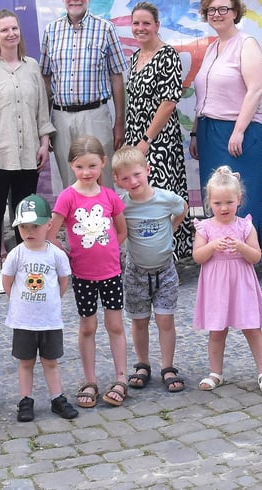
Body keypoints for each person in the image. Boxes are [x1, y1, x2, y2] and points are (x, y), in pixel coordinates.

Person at [0, 9, 54, 294]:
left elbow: (42, 111)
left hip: (28, 153)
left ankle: (23, 264)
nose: (11, 34)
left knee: (24, 211)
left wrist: (44, 143)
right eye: (4, 30)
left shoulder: (32, 67)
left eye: (14, 28)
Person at [47, 136, 129, 408]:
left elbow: (121, 230)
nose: (86, 172)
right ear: (71, 165)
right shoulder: (68, 196)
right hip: (83, 275)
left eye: (92, 166)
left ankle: (121, 377)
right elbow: (51, 232)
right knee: (88, 326)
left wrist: (109, 252)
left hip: (111, 273)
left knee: (115, 325)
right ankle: (90, 379)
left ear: (103, 163)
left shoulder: (109, 196)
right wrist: (68, 256)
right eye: (80, 166)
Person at [190, 0, 262, 252]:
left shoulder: (247, 44)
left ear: (235, 12)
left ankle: (248, 253)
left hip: (237, 131)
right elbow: (205, 96)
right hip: (210, 131)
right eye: (211, 10)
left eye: (223, 9)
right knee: (217, 196)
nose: (217, 14)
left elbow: (255, 89)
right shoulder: (212, 47)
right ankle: (218, 249)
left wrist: (239, 131)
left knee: (240, 195)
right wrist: (196, 133)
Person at [111, 146, 188, 394]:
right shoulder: (122, 205)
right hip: (136, 272)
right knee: (139, 320)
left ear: (147, 170)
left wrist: (171, 230)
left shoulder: (166, 199)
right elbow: (118, 230)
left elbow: (182, 208)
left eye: (137, 174)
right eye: (125, 178)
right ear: (117, 180)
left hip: (165, 270)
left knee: (165, 319)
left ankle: (168, 366)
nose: (132, 181)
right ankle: (142, 364)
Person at [192, 166, 262, 393]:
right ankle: (215, 372)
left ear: (238, 199)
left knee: (252, 328)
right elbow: (198, 256)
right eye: (217, 203)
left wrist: (241, 246)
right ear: (209, 201)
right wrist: (211, 246)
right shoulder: (205, 227)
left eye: (229, 202)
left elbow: (256, 256)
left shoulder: (245, 225)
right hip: (216, 287)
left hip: (241, 285)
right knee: (217, 332)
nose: (224, 207)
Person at [40, 0, 127, 187]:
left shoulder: (106, 29)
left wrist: (119, 122)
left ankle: (106, 221)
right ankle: (74, 222)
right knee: (71, 182)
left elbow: (117, 77)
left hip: (95, 115)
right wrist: (44, 124)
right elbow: (46, 80)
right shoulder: (51, 31)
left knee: (102, 179)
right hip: (61, 118)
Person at [123, 1, 193, 259]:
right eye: (136, 23)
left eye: (146, 23)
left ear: (157, 26)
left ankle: (167, 255)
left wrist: (146, 139)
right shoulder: (135, 57)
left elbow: (169, 102)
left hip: (158, 140)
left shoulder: (167, 55)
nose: (140, 28)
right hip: (135, 138)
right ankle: (145, 254)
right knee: (139, 196)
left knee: (160, 197)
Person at [2, 194, 78, 422]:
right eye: (24, 226)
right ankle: (26, 399)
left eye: (35, 226)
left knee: (51, 361)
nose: (29, 231)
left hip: (50, 320)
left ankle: (57, 398)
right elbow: (8, 281)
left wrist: (52, 299)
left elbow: (64, 281)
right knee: (25, 362)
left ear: (49, 225)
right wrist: (19, 301)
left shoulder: (55, 254)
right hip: (23, 320)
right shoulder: (17, 253)